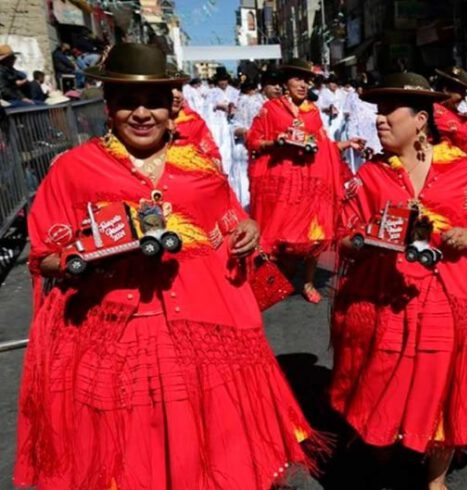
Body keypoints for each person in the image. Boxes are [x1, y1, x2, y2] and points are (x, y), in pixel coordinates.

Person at [13, 43, 319, 490]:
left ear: (171, 107)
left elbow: (231, 218)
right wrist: (86, 259)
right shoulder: (75, 170)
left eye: (153, 102)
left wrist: (249, 227)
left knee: (213, 440)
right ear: (109, 106)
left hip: (207, 325)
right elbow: (47, 254)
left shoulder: (200, 168)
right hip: (119, 336)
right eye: (127, 102)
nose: (142, 113)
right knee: (136, 453)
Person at [330, 72, 467, 490]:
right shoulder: (370, 174)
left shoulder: (460, 167)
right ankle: (383, 447)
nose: (380, 120)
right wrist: (370, 239)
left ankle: (435, 477)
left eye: (389, 113)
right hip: (385, 295)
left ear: (420, 120)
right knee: (383, 376)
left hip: (453, 293)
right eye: (377, 112)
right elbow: (343, 238)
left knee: (445, 383)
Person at [246, 59, 347, 304]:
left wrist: (342, 145)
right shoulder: (270, 109)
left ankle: (308, 281)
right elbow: (253, 141)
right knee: (276, 231)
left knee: (314, 232)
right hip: (279, 180)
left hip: (310, 179)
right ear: (285, 82)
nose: (303, 85)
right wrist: (276, 142)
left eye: (306, 80)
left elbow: (323, 143)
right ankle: (275, 277)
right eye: (297, 79)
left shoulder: (313, 112)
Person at [229, 78, 265, 207]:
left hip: (265, 152)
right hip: (247, 150)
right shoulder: (247, 101)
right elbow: (235, 126)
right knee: (245, 186)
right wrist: (248, 134)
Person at [433, 66, 467, 160]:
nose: (462, 97)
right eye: (460, 92)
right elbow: (461, 134)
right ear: (446, 90)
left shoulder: (453, 111)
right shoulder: (435, 111)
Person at [170, 87, 221, 165]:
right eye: (170, 89)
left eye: (179, 89)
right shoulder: (148, 122)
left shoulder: (194, 121)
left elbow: (211, 151)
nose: (177, 95)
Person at [342, 80, 382, 172]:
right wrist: (360, 146)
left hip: (378, 147)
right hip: (362, 147)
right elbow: (352, 127)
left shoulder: (379, 107)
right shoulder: (358, 106)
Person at [206, 71, 238, 182]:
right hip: (218, 123)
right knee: (221, 147)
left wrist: (233, 108)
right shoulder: (212, 92)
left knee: (231, 149)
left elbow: (238, 105)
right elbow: (207, 106)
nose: (223, 83)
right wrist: (217, 106)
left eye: (225, 80)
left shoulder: (234, 91)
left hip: (232, 122)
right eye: (220, 80)